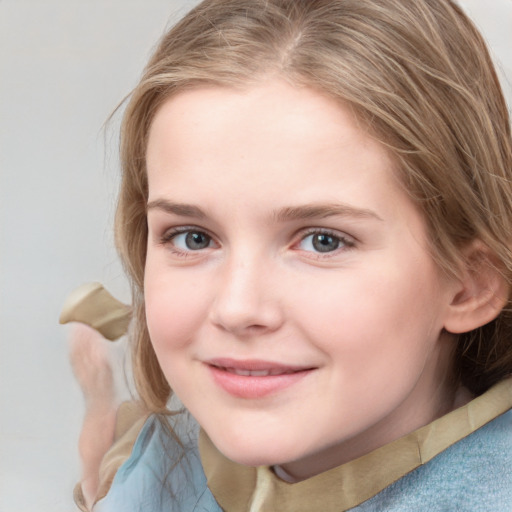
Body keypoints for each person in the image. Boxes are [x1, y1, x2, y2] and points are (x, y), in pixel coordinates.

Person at [63, 0, 512, 510]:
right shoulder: (164, 464)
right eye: (193, 237)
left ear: (470, 283)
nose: (237, 308)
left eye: (323, 241)